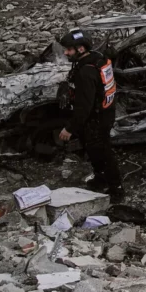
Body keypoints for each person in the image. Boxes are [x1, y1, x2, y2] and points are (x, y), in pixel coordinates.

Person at [58, 29, 124, 201]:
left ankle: (116, 190)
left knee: (103, 152)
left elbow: (84, 107)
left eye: (69, 50)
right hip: (105, 112)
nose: (65, 53)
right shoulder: (97, 58)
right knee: (94, 150)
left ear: (81, 49)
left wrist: (69, 128)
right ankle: (100, 179)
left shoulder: (86, 73)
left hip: (97, 118)